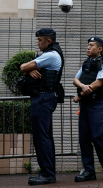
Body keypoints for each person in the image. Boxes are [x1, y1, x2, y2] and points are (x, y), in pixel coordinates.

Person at [20, 28, 63, 186]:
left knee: (41, 138)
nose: (38, 43)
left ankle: (47, 174)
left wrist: (29, 69)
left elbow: (23, 67)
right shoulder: (48, 54)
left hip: (43, 98)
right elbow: (28, 68)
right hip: (44, 98)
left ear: (48, 41)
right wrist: (31, 70)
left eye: (40, 40)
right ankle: (47, 172)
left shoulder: (51, 55)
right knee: (45, 137)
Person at [72, 37, 103, 182]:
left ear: (100, 49)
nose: (88, 48)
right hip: (85, 105)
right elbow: (75, 79)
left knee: (97, 137)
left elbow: (98, 83)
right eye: (88, 45)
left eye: (91, 45)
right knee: (84, 139)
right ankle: (89, 171)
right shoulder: (86, 62)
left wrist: (80, 95)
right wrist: (82, 87)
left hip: (97, 104)